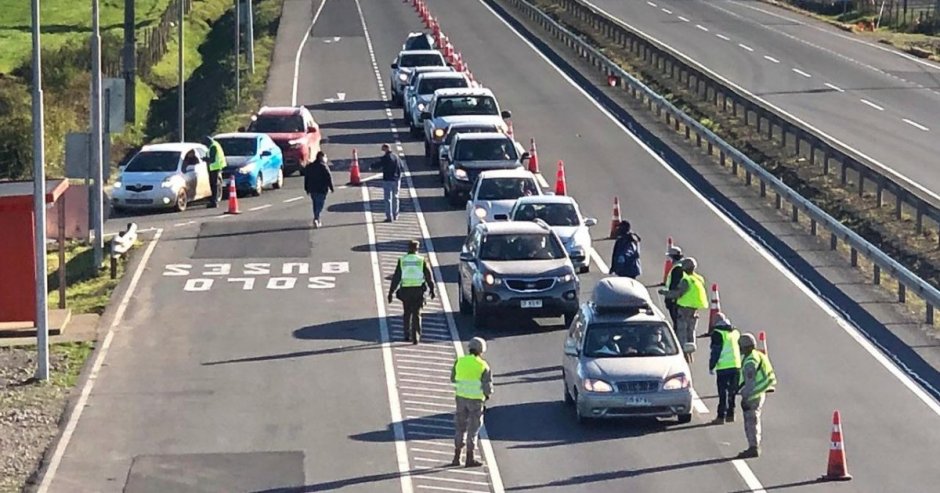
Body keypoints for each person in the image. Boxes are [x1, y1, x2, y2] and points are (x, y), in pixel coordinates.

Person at [451, 337, 493, 468]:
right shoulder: (483, 365)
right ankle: (470, 457)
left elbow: (453, 378)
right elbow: (488, 387)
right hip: (476, 400)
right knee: (473, 429)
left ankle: (457, 456)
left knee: (460, 427)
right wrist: (486, 396)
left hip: (460, 398)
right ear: (481, 350)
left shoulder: (460, 361)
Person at [658, 257, 707, 364]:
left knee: (682, 331)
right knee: (691, 330)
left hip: (684, 308)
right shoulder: (699, 278)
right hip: (694, 309)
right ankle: (690, 352)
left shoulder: (686, 280)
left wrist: (665, 293)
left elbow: (678, 293)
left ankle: (683, 356)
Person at [388, 240, 436, 344]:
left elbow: (396, 277)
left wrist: (391, 292)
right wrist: (432, 289)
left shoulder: (402, 260)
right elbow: (428, 276)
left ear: (408, 248)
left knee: (407, 313)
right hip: (418, 290)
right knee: (417, 314)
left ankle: (406, 334)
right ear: (417, 249)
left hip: (406, 290)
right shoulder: (421, 260)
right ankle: (416, 337)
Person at [737, 333, 776, 458]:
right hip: (761, 392)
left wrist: (746, 398)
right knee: (754, 420)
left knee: (751, 421)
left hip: (754, 395)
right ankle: (754, 445)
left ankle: (753, 447)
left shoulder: (750, 362)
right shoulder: (758, 354)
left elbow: (750, 382)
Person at [708, 313, 741, 425]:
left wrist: (711, 365)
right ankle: (731, 414)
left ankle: (721, 416)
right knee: (732, 392)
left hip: (723, 367)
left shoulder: (718, 334)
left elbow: (716, 352)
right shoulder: (735, 333)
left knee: (723, 393)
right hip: (736, 365)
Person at [370, 143, 405, 222]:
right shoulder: (396, 157)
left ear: (386, 149)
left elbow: (378, 164)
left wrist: (372, 166)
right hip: (396, 179)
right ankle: (395, 214)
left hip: (388, 179)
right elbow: (402, 166)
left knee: (388, 198)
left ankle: (389, 216)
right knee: (396, 197)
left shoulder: (385, 158)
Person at [303, 151, 334, 228]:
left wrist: (306, 188)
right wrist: (331, 187)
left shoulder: (310, 166)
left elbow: (306, 178)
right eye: (325, 157)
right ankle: (317, 218)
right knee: (320, 204)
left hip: (312, 189)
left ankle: (316, 217)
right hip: (321, 189)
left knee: (315, 204)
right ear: (321, 157)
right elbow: (328, 177)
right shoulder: (323, 166)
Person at [662, 245, 685, 329]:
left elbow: (674, 285)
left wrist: (669, 298)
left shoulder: (677, 268)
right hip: (681, 300)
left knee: (677, 324)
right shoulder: (683, 266)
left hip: (675, 301)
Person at [203, 136, 226, 208]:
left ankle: (214, 202)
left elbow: (212, 160)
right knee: (214, 184)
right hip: (215, 167)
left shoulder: (213, 147)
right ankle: (213, 200)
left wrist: (205, 159)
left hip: (214, 167)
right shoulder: (215, 144)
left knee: (214, 185)